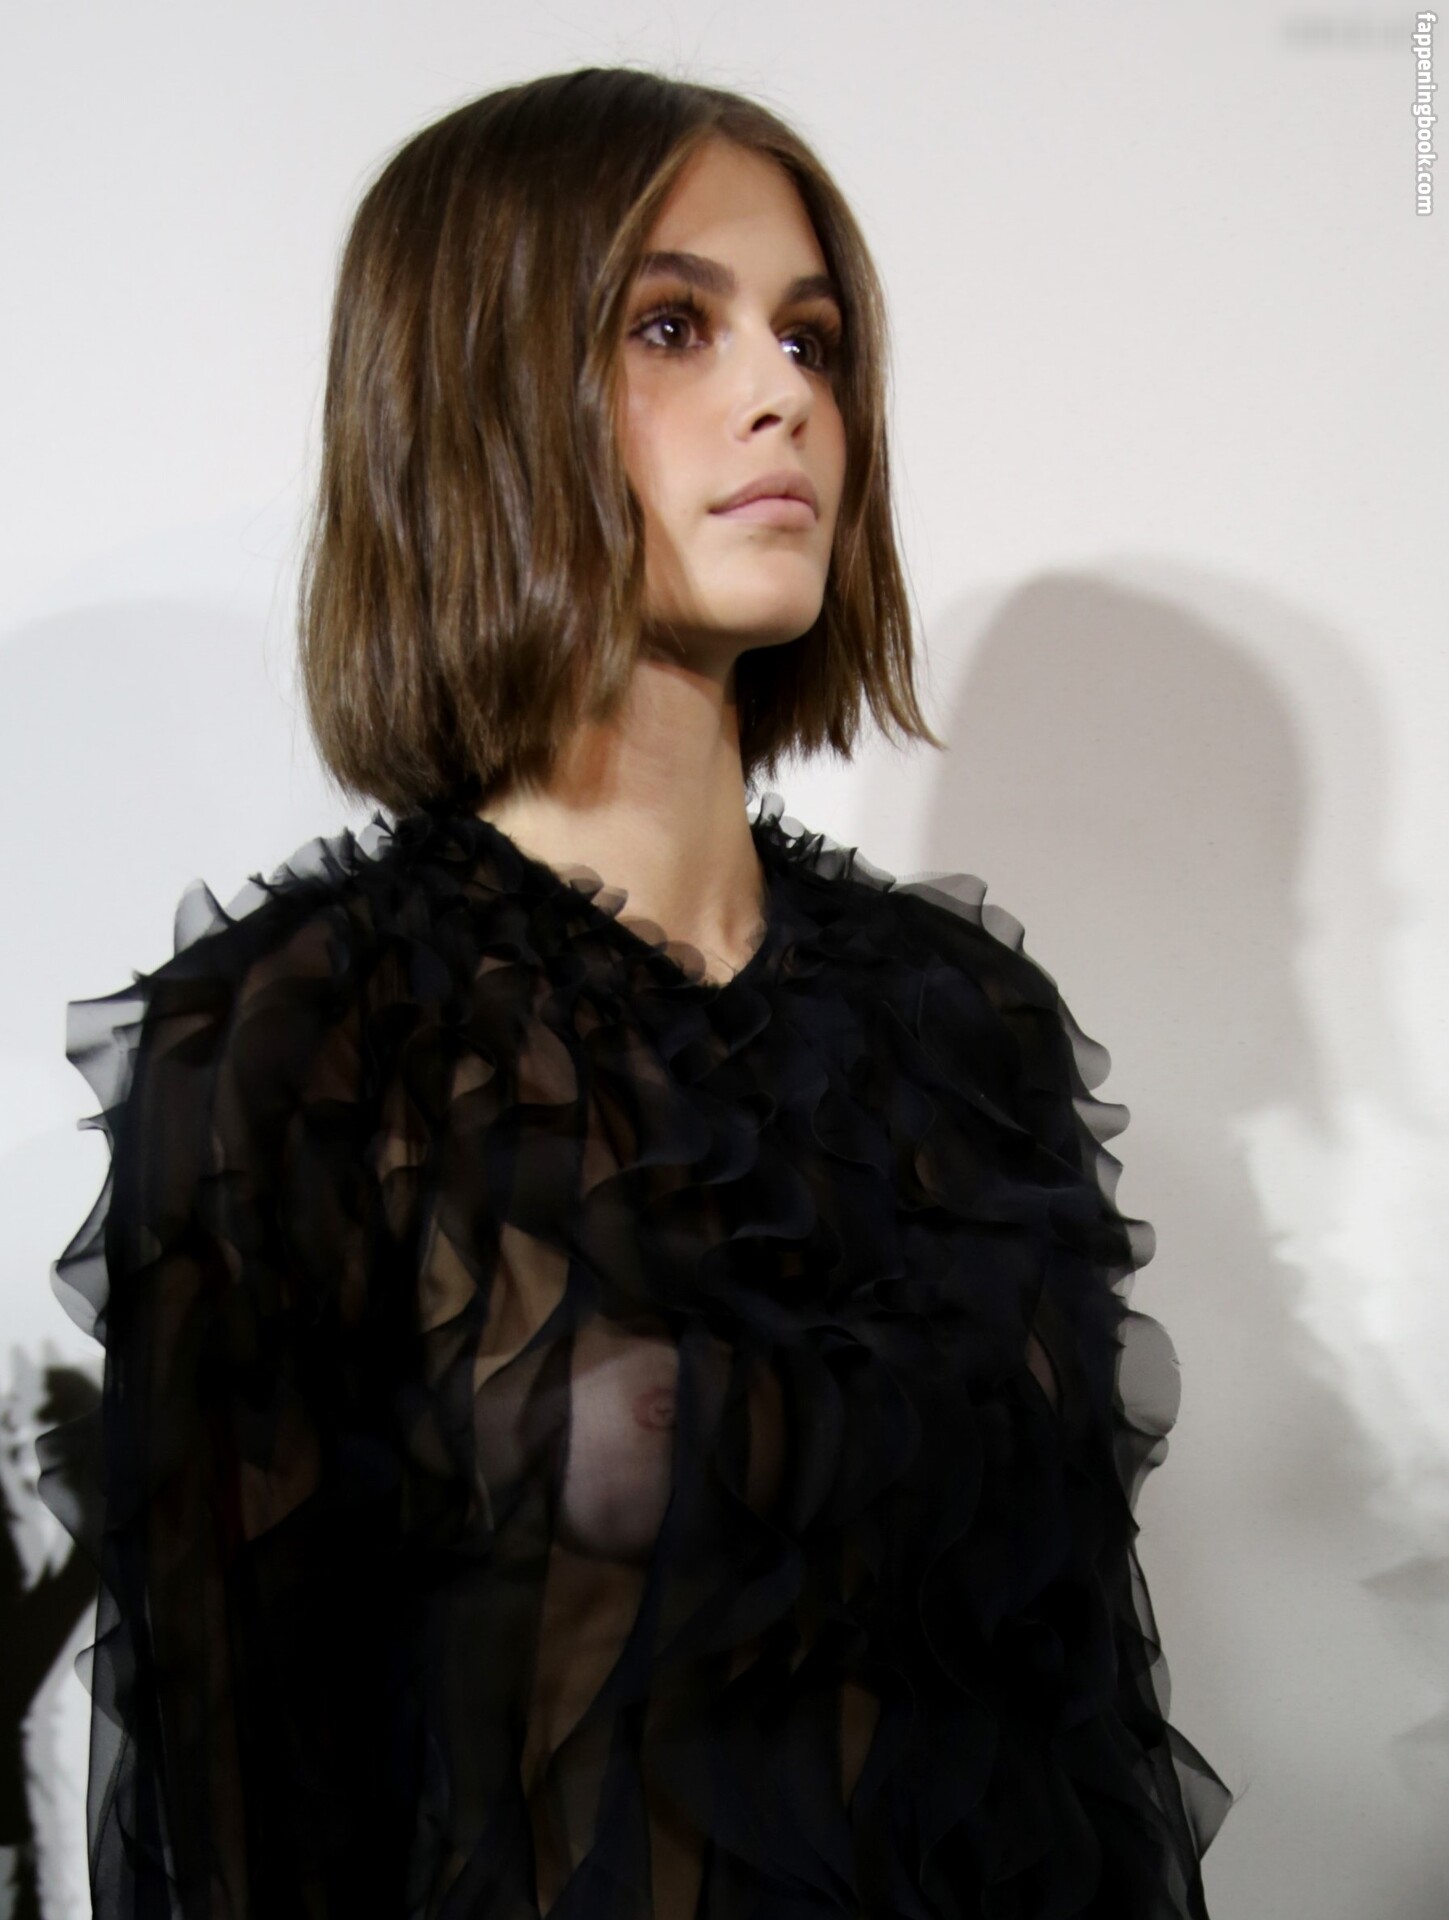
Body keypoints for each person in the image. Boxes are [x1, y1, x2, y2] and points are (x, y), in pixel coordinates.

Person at [35, 66, 1234, 1920]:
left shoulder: (963, 1031)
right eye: (673, 326)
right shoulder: (307, 1048)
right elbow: (253, 1815)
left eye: (812, 340)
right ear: (480, 393)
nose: (785, 395)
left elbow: (1076, 1728)